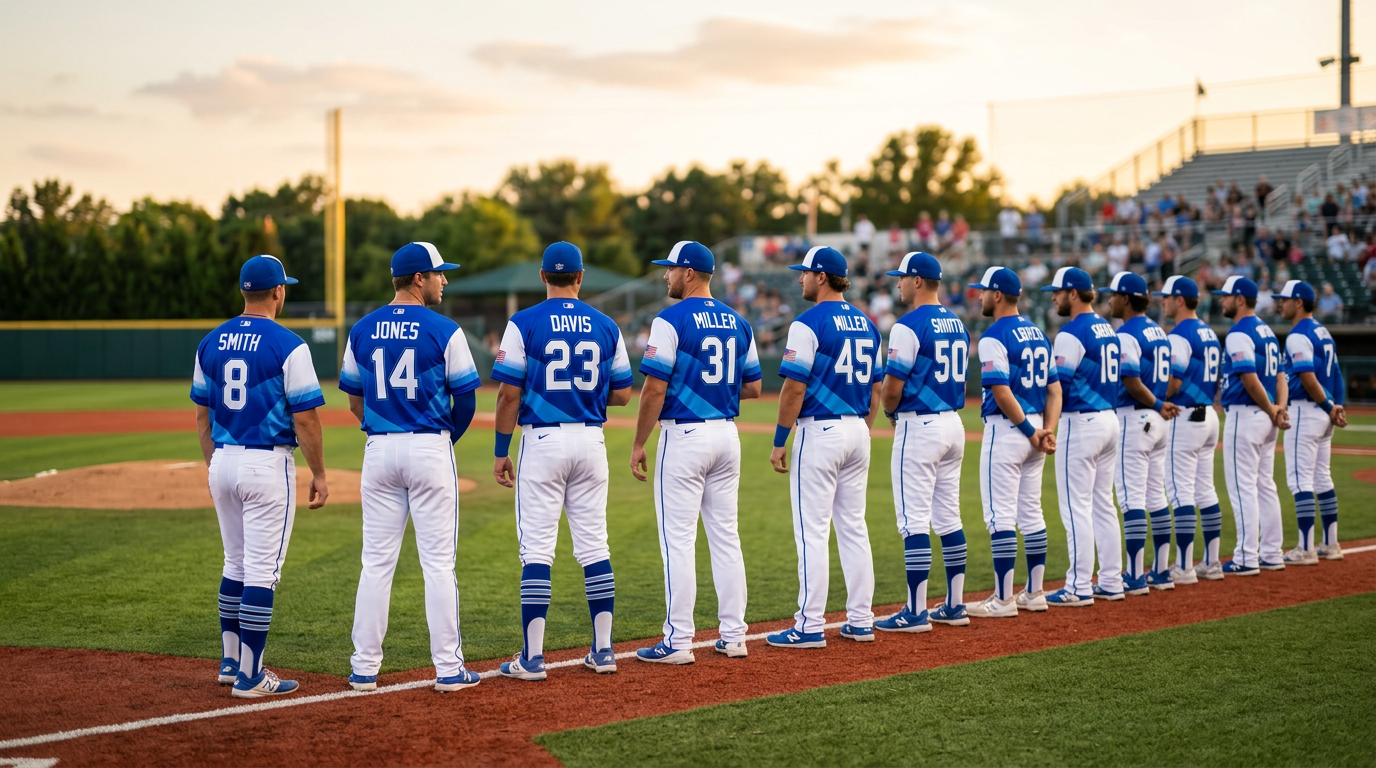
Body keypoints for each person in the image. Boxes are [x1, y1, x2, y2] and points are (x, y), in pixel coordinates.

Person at [339, 242, 482, 694]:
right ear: (418, 278)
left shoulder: (361, 329)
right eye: (439, 273)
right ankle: (447, 669)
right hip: (428, 447)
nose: (444, 280)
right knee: (438, 564)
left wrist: (381, 429)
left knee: (376, 564)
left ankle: (364, 668)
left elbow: (354, 397)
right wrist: (439, 441)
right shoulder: (445, 329)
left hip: (379, 448)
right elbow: (467, 401)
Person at [491, 242, 635, 680]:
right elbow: (624, 393)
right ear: (580, 277)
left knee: (538, 549)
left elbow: (508, 393)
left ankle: (533, 658)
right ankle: (605, 650)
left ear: (541, 277)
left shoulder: (522, 322)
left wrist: (501, 451)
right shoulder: (607, 324)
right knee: (595, 546)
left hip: (543, 440)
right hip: (591, 439)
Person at [191, 254, 328, 698]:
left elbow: (201, 416)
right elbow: (306, 420)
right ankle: (251, 676)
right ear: (277, 292)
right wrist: (320, 473)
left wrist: (215, 462)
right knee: (262, 574)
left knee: (235, 563)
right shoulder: (289, 344)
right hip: (266, 464)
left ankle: (231, 661)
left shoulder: (210, 342)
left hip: (223, 461)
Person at [629, 241, 762, 664]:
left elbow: (653, 388)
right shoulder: (739, 321)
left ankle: (678, 641)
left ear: (689, 273)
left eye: (670, 269)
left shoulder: (669, 319)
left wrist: (638, 442)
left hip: (684, 436)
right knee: (726, 539)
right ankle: (735, 635)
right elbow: (755, 387)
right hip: (727, 433)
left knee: (678, 542)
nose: (666, 275)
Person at [767, 246, 883, 647]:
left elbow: (793, 387)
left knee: (812, 531)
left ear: (821, 276)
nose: (800, 279)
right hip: (857, 430)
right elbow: (876, 387)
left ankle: (810, 624)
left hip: (821, 433)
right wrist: (863, 428)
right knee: (853, 528)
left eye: (804, 273)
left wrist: (781, 440)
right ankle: (861, 619)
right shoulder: (868, 323)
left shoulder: (808, 322)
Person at [870, 252, 972, 630]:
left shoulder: (907, 325)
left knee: (914, 520)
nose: (897, 283)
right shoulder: (957, 322)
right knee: (949, 517)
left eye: (901, 278)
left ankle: (915, 611)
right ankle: (955, 605)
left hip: (920, 425)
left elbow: (892, 387)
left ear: (916, 281)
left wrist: (889, 413)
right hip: (953, 423)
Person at [964, 267, 1059, 616]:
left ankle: (1003, 599)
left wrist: (1029, 431)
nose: (979, 296)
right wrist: (1045, 429)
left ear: (998, 295)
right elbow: (1054, 389)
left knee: (1000, 517)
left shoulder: (993, 336)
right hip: (1035, 426)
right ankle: (1034, 593)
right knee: (1031, 514)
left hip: (1009, 429)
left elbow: (1001, 391)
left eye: (984, 291)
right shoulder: (1038, 333)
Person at [1044, 267, 1123, 605]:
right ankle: (1111, 580)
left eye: (1058, 292)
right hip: (1110, 419)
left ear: (1073, 293)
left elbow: (1057, 386)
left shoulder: (1071, 332)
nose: (1054, 297)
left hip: (1082, 423)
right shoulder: (1107, 327)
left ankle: (1078, 586)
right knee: (1104, 504)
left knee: (1076, 505)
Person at [1102, 272, 1180, 595]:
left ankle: (1134, 576)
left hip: (1136, 418)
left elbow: (1131, 381)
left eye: (1114, 295)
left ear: (1126, 299)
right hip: (1157, 421)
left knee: (1132, 499)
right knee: (1156, 497)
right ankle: (1160, 571)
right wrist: (1161, 402)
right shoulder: (1160, 332)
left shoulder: (1127, 334)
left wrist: (1157, 401)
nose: (1109, 300)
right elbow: (1174, 377)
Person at [1213, 276, 1288, 575]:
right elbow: (1281, 375)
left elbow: (1248, 377)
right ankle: (1271, 552)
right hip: (1266, 416)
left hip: (1247, 414)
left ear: (1240, 299)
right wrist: (1278, 408)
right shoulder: (1267, 331)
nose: (1221, 300)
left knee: (1244, 488)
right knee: (1264, 486)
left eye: (1226, 296)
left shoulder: (1239, 332)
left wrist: (1272, 408)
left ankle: (1246, 556)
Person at [1154, 276, 1224, 582]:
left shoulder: (1180, 334)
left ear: (1179, 300)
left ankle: (1183, 567)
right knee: (1205, 490)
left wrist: (1155, 399)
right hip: (1209, 413)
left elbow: (1174, 381)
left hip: (1186, 415)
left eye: (1166, 297)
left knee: (1181, 492)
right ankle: (1212, 561)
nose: (1162, 301)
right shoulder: (1208, 330)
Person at [1274, 281, 1348, 565]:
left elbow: (1306, 376)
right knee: (1322, 478)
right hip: (1323, 411)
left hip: (1307, 409)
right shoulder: (1323, 331)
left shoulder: (1298, 335)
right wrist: (1335, 405)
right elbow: (1337, 374)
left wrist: (1330, 405)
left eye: (1285, 299)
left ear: (1299, 302)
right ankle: (1330, 544)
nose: (1280, 304)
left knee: (1300, 480)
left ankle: (1305, 548)